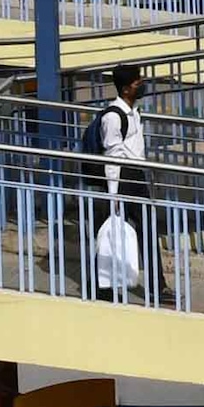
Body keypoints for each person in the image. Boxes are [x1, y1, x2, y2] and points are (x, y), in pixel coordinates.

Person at [87, 68, 150, 302]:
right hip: (121, 179)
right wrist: (113, 195)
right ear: (125, 89)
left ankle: (157, 286)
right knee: (110, 233)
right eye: (137, 82)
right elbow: (112, 158)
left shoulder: (133, 111)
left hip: (136, 175)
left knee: (147, 229)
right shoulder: (113, 117)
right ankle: (100, 285)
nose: (141, 85)